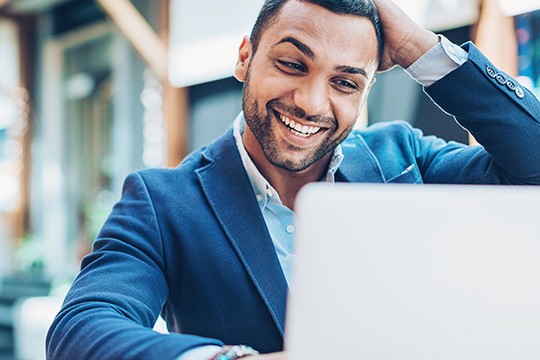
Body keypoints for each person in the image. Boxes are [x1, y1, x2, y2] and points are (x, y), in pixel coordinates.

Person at [46, 0, 540, 359]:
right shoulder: (162, 202)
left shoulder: (404, 158)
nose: (311, 102)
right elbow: (81, 330)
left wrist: (418, 47)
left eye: (345, 82)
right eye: (291, 64)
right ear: (245, 57)